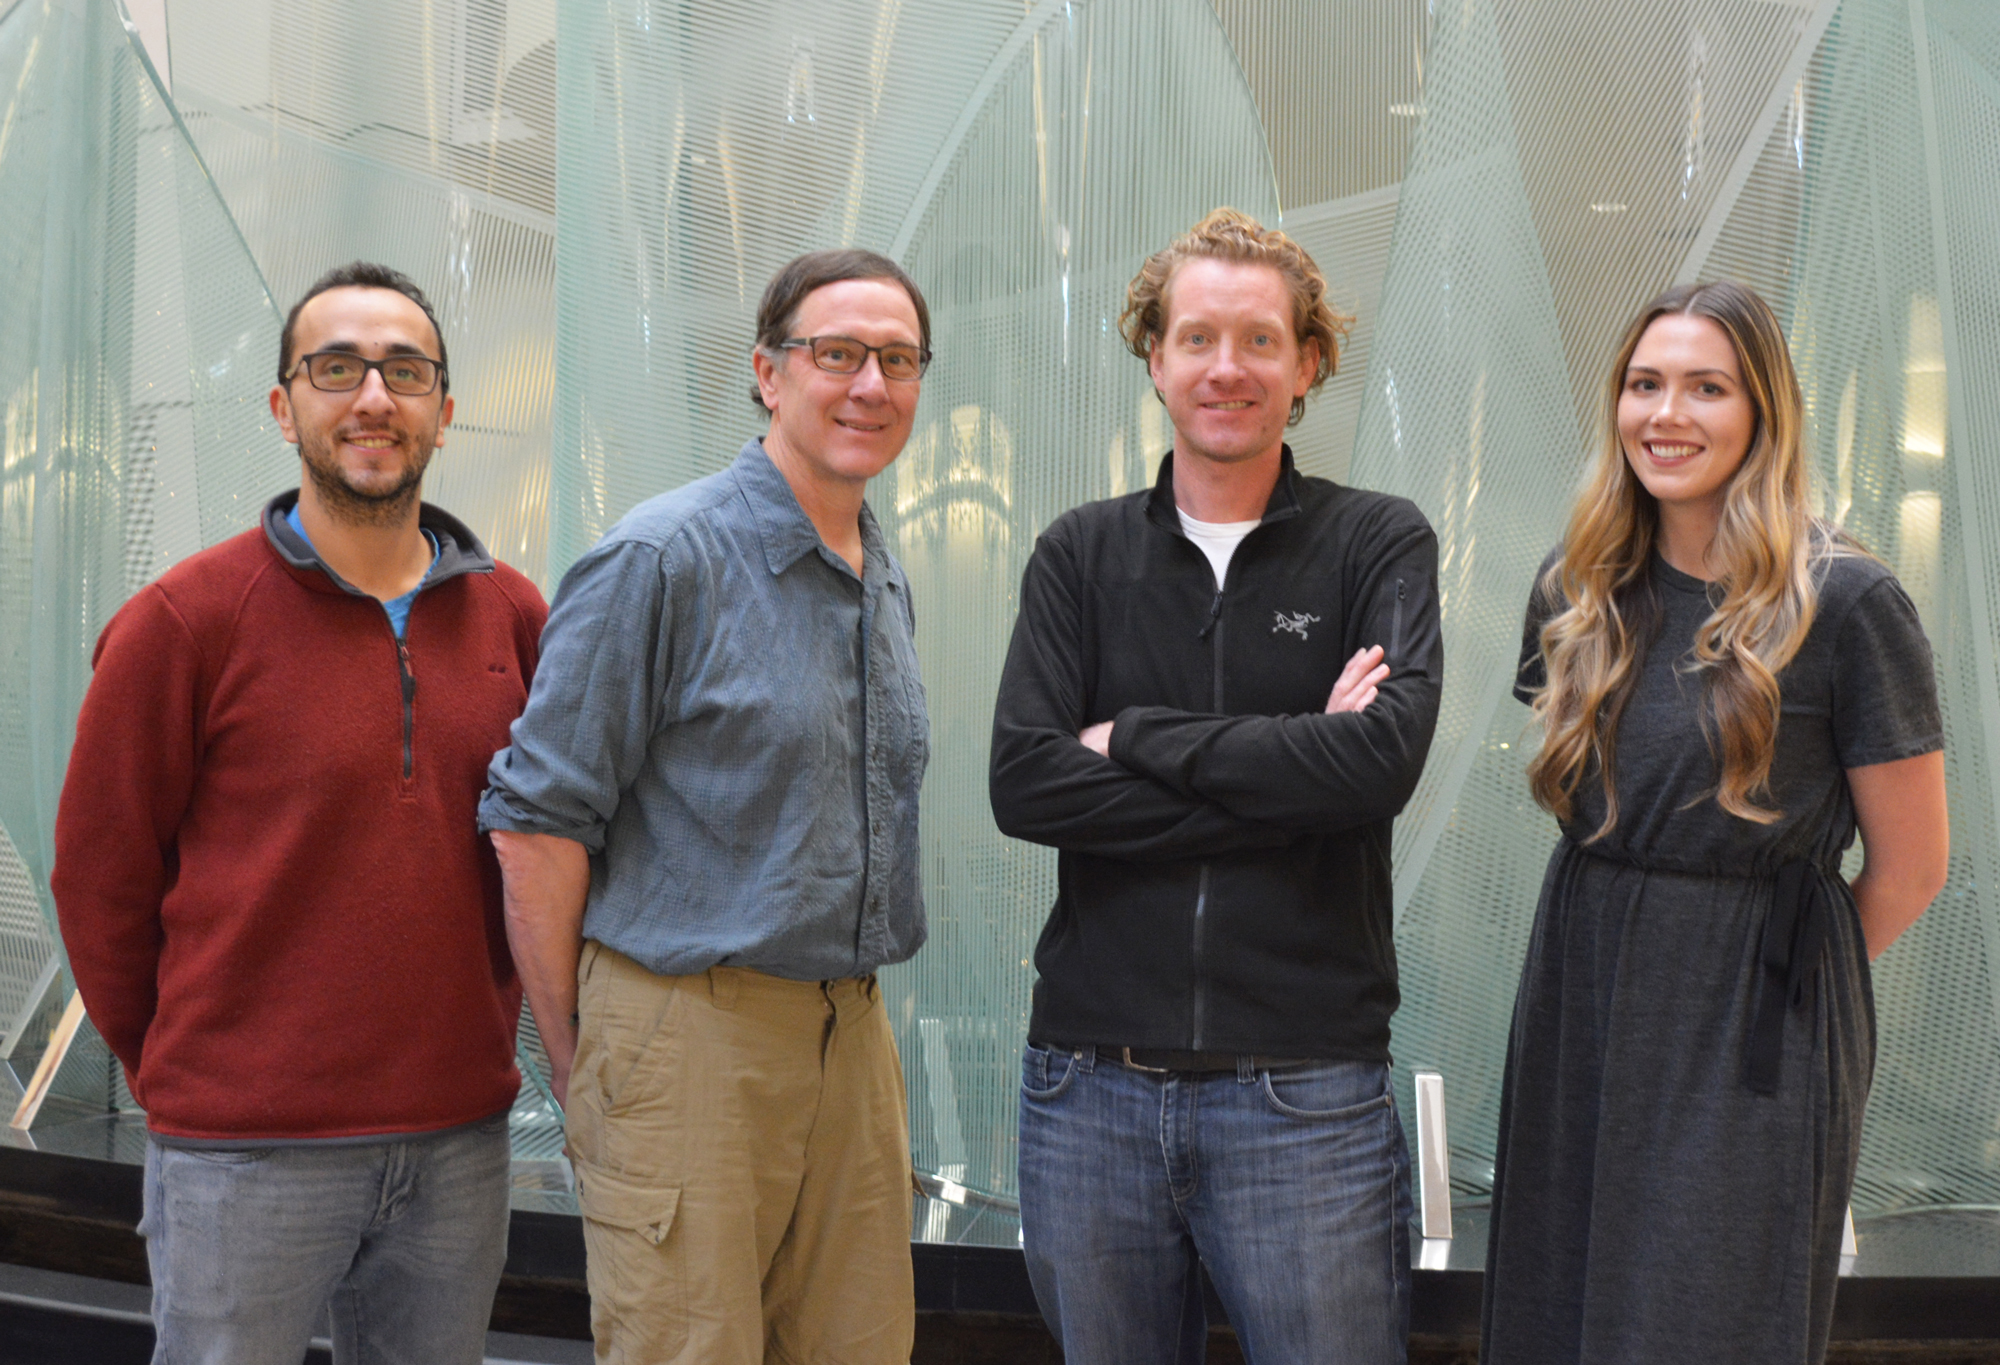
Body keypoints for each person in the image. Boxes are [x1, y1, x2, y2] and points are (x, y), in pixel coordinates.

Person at [51, 262, 548, 1364]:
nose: (373, 397)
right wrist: (193, 1072)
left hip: (458, 1145)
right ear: (284, 407)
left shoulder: (514, 616)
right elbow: (99, 881)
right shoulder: (183, 622)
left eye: (404, 370)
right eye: (336, 368)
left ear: (445, 412)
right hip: (242, 1155)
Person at [989, 208, 1443, 1364]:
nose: (1225, 367)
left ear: (1307, 366)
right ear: (1153, 358)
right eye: (1196, 338)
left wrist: (1131, 733)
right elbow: (1027, 787)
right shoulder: (1078, 555)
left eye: (1257, 340)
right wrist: (1293, 766)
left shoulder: (1375, 544)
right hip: (1086, 1088)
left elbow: (1375, 765)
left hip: (1304, 1095)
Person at [1483, 281, 1950, 1363]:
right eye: (1643, 385)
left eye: (1706, 388)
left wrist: (1781, 982)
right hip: (1585, 977)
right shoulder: (1576, 588)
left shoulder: (1845, 603)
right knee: (1560, 1297)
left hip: (1753, 1014)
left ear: (1761, 414)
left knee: (1705, 1319)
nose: (1666, 415)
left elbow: (1911, 867)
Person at [479, 248, 932, 1364]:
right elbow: (536, 826)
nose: (869, 384)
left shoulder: (878, 564)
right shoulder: (660, 558)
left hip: (853, 1036)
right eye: (836, 354)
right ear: (768, 375)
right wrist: (586, 1055)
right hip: (686, 1035)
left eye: (898, 358)